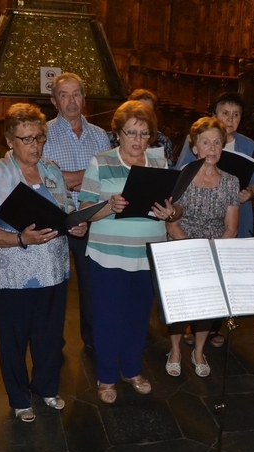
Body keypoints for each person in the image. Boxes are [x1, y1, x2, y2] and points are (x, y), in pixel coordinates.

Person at [0, 103, 87, 423]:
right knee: (14, 338)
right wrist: (20, 238)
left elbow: (64, 211)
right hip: (15, 273)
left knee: (49, 335)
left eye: (39, 137)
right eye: (26, 139)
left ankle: (47, 387)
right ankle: (19, 399)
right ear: (9, 140)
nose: (35, 145)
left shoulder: (51, 170)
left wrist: (75, 224)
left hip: (53, 268)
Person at [78, 100, 177, 404]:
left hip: (147, 255)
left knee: (138, 317)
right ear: (118, 133)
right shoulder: (101, 162)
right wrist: (109, 206)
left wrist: (171, 212)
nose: (137, 140)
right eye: (131, 132)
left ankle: (132, 369)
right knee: (108, 318)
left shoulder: (159, 165)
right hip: (108, 256)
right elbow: (85, 210)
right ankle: (106, 375)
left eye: (144, 134)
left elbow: (173, 209)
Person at [176, 92, 254, 348]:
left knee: (222, 277)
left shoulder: (249, 145)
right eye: (225, 113)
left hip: (234, 214)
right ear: (214, 114)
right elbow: (180, 173)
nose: (230, 118)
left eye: (236, 114)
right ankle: (190, 325)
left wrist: (251, 193)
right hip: (194, 218)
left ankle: (213, 327)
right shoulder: (198, 138)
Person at [165, 117, 239, 377]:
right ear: (194, 147)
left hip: (214, 251)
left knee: (208, 306)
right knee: (179, 305)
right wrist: (192, 252)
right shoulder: (181, 177)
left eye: (217, 143)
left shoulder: (231, 181)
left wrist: (212, 255)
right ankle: (175, 350)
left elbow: (231, 227)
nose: (212, 148)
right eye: (205, 142)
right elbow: (170, 223)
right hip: (181, 246)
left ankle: (198, 351)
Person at [42, 72, 111, 351]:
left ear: (84, 98)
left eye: (76, 94)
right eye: (64, 95)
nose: (71, 101)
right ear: (54, 101)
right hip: (55, 218)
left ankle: (93, 342)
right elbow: (47, 181)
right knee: (54, 286)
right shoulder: (44, 134)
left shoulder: (99, 135)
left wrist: (68, 178)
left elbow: (107, 180)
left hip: (91, 217)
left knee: (92, 285)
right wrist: (89, 177)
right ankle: (52, 346)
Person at [109, 89, 175, 167]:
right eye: (139, 111)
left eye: (149, 111)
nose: (145, 115)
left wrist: (159, 164)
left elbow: (170, 170)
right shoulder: (111, 138)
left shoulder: (163, 141)